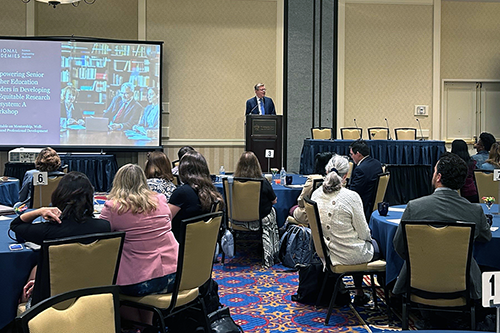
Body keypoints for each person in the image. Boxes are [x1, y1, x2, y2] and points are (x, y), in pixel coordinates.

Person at [392, 153, 491, 324]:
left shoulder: (414, 207)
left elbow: (400, 246)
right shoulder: (474, 211)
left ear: (438, 177)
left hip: (418, 282)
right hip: (463, 285)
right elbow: (486, 237)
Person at [11, 171, 111, 305]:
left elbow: (16, 224)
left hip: (51, 303)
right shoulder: (104, 227)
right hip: (91, 300)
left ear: (59, 196)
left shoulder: (49, 230)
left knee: (24, 293)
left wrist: (40, 211)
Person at [100, 164, 179, 326]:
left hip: (139, 282)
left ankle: (140, 327)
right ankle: (146, 326)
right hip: (176, 275)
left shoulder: (114, 208)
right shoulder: (161, 200)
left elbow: (99, 233)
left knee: (101, 289)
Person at [311, 154, 380, 305]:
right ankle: (370, 293)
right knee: (377, 246)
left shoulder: (315, 194)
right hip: (348, 254)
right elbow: (364, 233)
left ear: (327, 171)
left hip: (327, 252)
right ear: (346, 175)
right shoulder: (351, 197)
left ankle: (358, 291)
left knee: (361, 243)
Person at [233, 151, 279, 267]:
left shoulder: (232, 183)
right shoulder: (263, 182)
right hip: (260, 219)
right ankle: (271, 252)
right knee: (273, 212)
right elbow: (274, 201)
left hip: (235, 219)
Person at [168, 151, 223, 241]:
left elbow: (164, 219)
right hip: (202, 244)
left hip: (179, 244)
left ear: (182, 171)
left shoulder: (182, 193)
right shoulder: (211, 191)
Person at [348, 140, 383, 221]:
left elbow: (354, 192)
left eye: (352, 154)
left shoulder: (361, 169)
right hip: (373, 204)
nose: (351, 157)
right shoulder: (377, 163)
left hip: (363, 206)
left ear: (358, 154)